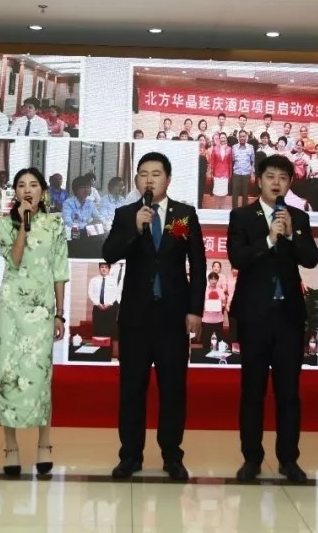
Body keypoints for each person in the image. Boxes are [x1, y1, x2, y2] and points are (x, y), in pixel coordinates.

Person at [102, 152, 206, 480]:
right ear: (136, 180)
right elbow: (109, 252)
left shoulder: (184, 215)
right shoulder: (126, 214)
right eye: (143, 174)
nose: (149, 179)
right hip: (136, 317)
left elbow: (198, 265)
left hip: (173, 317)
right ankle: (130, 456)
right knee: (132, 389)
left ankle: (172, 456)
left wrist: (195, 309)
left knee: (173, 389)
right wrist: (134, 229)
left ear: (168, 179)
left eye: (156, 173)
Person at [227, 155, 318, 483]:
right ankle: (251, 458)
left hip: (289, 318)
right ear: (259, 180)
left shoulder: (298, 216)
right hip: (254, 316)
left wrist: (292, 235)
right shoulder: (242, 216)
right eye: (270, 176)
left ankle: (288, 459)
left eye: (283, 177)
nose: (276, 182)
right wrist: (268, 239)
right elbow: (237, 257)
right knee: (252, 391)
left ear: (290, 182)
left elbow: (311, 259)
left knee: (288, 392)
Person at [0, 168, 69, 475]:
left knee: (40, 376)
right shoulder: (3, 224)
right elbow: (14, 260)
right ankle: (11, 446)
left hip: (42, 311)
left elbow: (60, 271)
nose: (27, 190)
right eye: (22, 185)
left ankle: (44, 444)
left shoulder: (55, 224)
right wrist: (23, 226)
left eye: (33, 185)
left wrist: (60, 313)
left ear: (43, 192)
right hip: (11, 311)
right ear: (15, 193)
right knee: (8, 376)